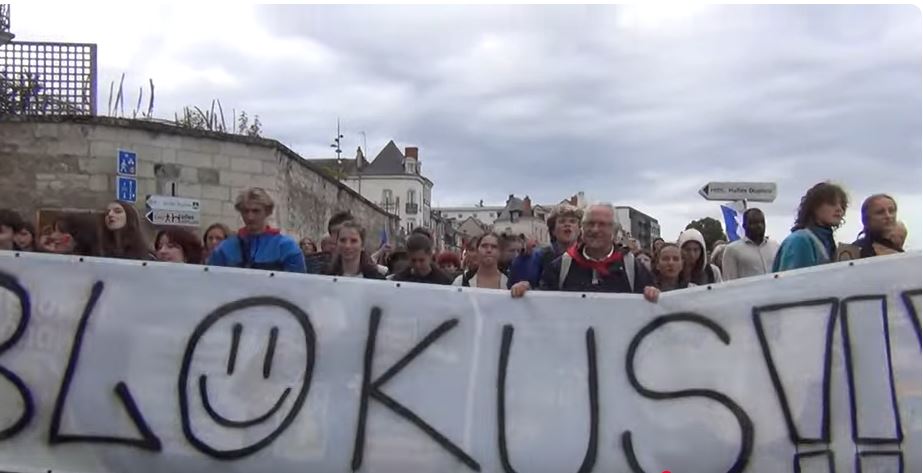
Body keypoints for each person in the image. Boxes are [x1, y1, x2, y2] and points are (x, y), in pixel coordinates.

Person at [516, 203, 655, 299]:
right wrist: (529, 293)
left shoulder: (632, 267)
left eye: (602, 224)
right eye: (590, 224)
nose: (595, 230)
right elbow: (544, 304)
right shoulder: (560, 267)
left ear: (614, 231)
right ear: (582, 229)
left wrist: (653, 295)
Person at [207, 188, 305, 272]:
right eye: (245, 211)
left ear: (268, 212)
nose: (250, 217)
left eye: (256, 211)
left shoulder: (286, 247)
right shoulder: (225, 248)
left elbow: (297, 285)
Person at [773, 182, 848, 272]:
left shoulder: (827, 241)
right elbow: (792, 282)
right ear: (815, 206)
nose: (839, 209)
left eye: (842, 205)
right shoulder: (800, 240)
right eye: (831, 203)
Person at [509, 204, 583, 293]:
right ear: (553, 231)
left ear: (579, 230)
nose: (567, 224)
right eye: (562, 221)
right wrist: (524, 286)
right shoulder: (537, 256)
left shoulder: (588, 256)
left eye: (573, 221)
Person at [721, 208, 780, 280]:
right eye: (754, 223)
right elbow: (729, 280)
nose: (759, 226)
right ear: (744, 225)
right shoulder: (732, 250)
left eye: (762, 222)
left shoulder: (775, 246)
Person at [851, 194, 898, 258]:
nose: (888, 216)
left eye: (891, 211)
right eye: (880, 212)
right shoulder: (852, 250)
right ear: (866, 218)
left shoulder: (900, 253)